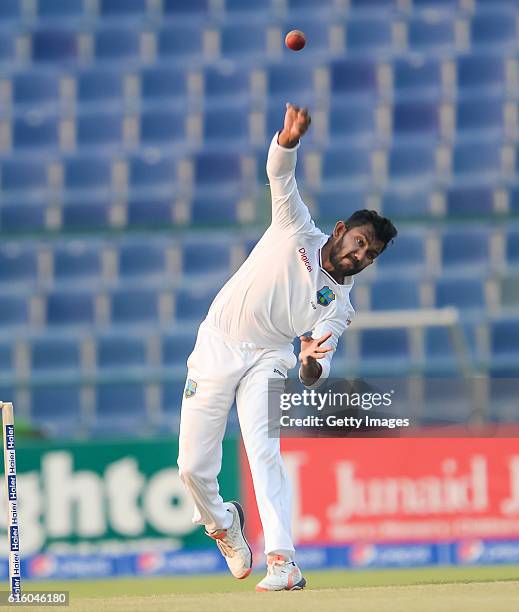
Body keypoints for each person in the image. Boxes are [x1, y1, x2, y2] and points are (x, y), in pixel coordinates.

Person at [177, 103, 398, 591]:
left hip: (272, 356)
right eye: (359, 242)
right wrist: (288, 140)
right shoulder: (296, 226)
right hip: (218, 344)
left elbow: (315, 370)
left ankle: (283, 560)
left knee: (264, 450)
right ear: (340, 229)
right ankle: (222, 525)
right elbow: (280, 174)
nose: (360, 256)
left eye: (370, 254)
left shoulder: (338, 305)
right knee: (192, 466)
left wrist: (308, 364)